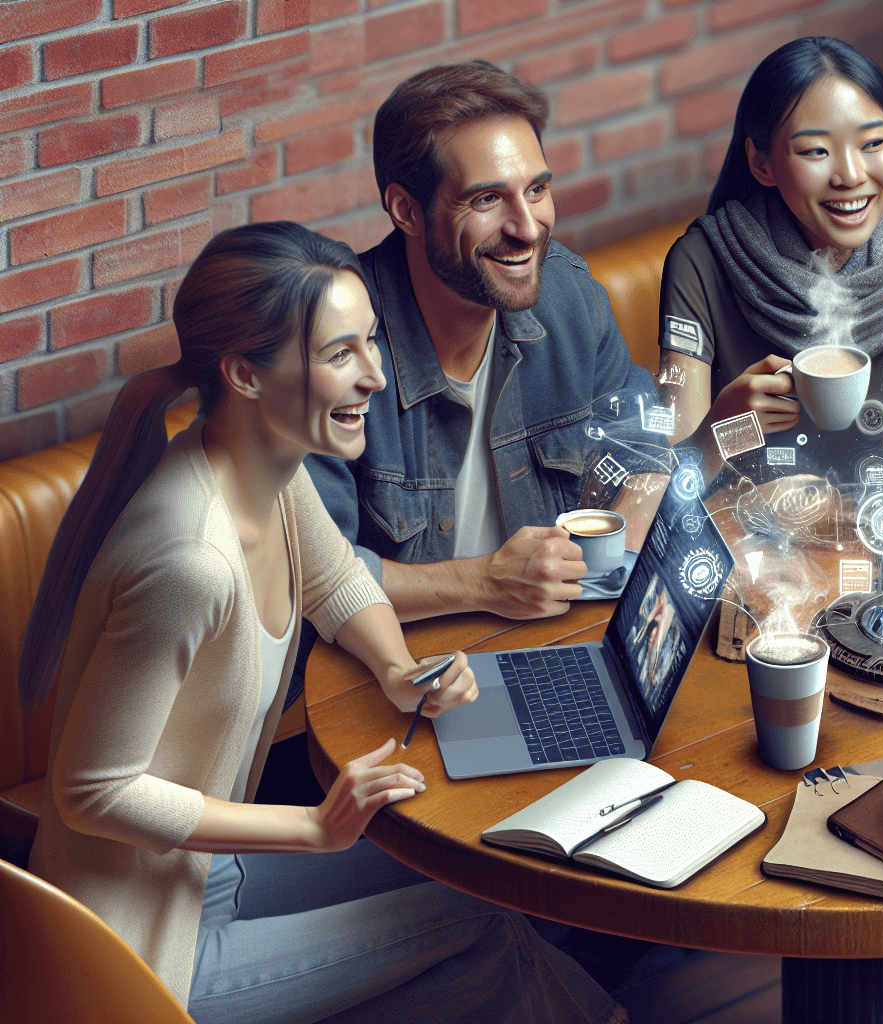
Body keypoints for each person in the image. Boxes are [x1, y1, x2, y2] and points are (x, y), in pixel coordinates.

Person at [18, 222, 624, 1023]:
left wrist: (399, 671)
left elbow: (336, 579)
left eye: (373, 342)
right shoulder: (190, 562)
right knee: (475, 925)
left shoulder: (265, 467)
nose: (376, 375)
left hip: (206, 875)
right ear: (245, 375)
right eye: (341, 354)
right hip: (140, 957)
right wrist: (313, 826)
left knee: (479, 873)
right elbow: (93, 791)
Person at [307, 61, 661, 626]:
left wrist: (612, 571)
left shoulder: (568, 295)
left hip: (554, 639)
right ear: (406, 211)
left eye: (537, 189)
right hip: (393, 667)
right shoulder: (333, 348)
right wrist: (487, 584)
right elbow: (310, 575)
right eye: (486, 200)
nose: (528, 227)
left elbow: (645, 441)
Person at [656, 36, 883, 486]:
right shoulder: (704, 262)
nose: (850, 175)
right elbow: (665, 492)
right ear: (761, 162)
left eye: (872, 143)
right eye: (815, 151)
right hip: (743, 544)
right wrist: (721, 430)